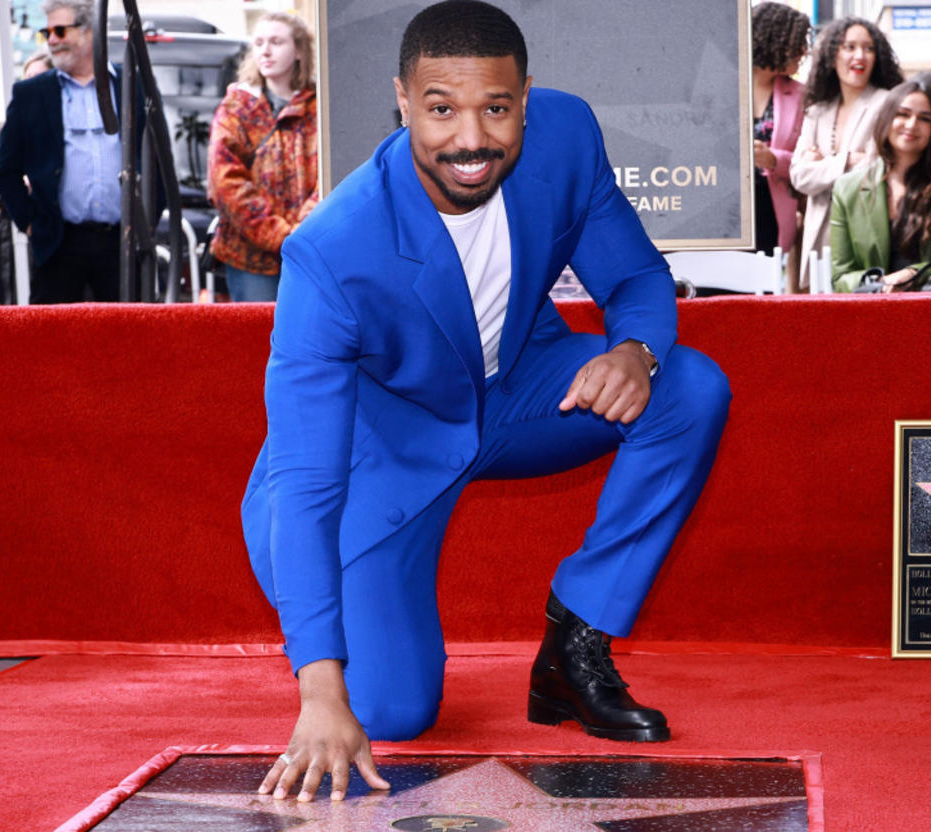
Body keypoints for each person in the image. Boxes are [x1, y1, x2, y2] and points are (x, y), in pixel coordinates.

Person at [244, 0, 731, 804]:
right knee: (397, 709)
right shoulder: (332, 251)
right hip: (381, 457)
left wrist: (634, 352)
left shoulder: (566, 139)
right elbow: (306, 480)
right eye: (440, 110)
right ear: (402, 102)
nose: (470, 139)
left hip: (518, 395)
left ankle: (575, 644)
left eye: (496, 109)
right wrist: (319, 694)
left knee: (688, 387)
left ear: (525, 100)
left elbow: (639, 278)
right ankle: (345, 639)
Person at [0, 0, 137, 303]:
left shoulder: (130, 84)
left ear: (90, 31)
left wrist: (143, 222)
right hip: (59, 242)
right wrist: (31, 223)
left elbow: (158, 166)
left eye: (60, 30)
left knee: (124, 342)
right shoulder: (31, 93)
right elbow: (4, 169)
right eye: (48, 33)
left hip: (119, 243)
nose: (52, 40)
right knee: (52, 343)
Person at [828, 80, 931, 292]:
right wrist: (881, 284)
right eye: (903, 114)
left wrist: (915, 274)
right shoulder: (847, 188)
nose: (912, 124)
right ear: (886, 119)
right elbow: (841, 277)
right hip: (874, 313)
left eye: (924, 118)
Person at [207, 12, 318, 302]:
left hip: (310, 252)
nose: (265, 50)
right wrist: (280, 234)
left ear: (298, 50)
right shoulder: (236, 108)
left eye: (276, 42)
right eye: (259, 43)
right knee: (256, 341)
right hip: (250, 260)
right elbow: (226, 182)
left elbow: (331, 175)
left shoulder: (320, 107)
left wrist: (301, 231)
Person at [790, 17, 902, 290]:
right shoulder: (817, 110)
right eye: (849, 47)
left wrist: (823, 166)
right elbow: (798, 176)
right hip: (818, 238)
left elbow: (875, 170)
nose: (859, 56)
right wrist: (847, 160)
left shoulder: (887, 102)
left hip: (863, 233)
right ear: (832, 55)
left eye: (868, 48)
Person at [0, 50, 54, 305]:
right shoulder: (6, 129)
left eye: (39, 77)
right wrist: (15, 191)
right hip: (7, 242)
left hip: (51, 236)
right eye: (27, 78)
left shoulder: (64, 129)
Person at [750, 2, 810, 290]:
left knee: (759, 297)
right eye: (797, 42)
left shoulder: (800, 96)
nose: (804, 52)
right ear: (773, 38)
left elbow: (808, 156)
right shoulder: (720, 86)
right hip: (720, 211)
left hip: (770, 213)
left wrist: (773, 159)